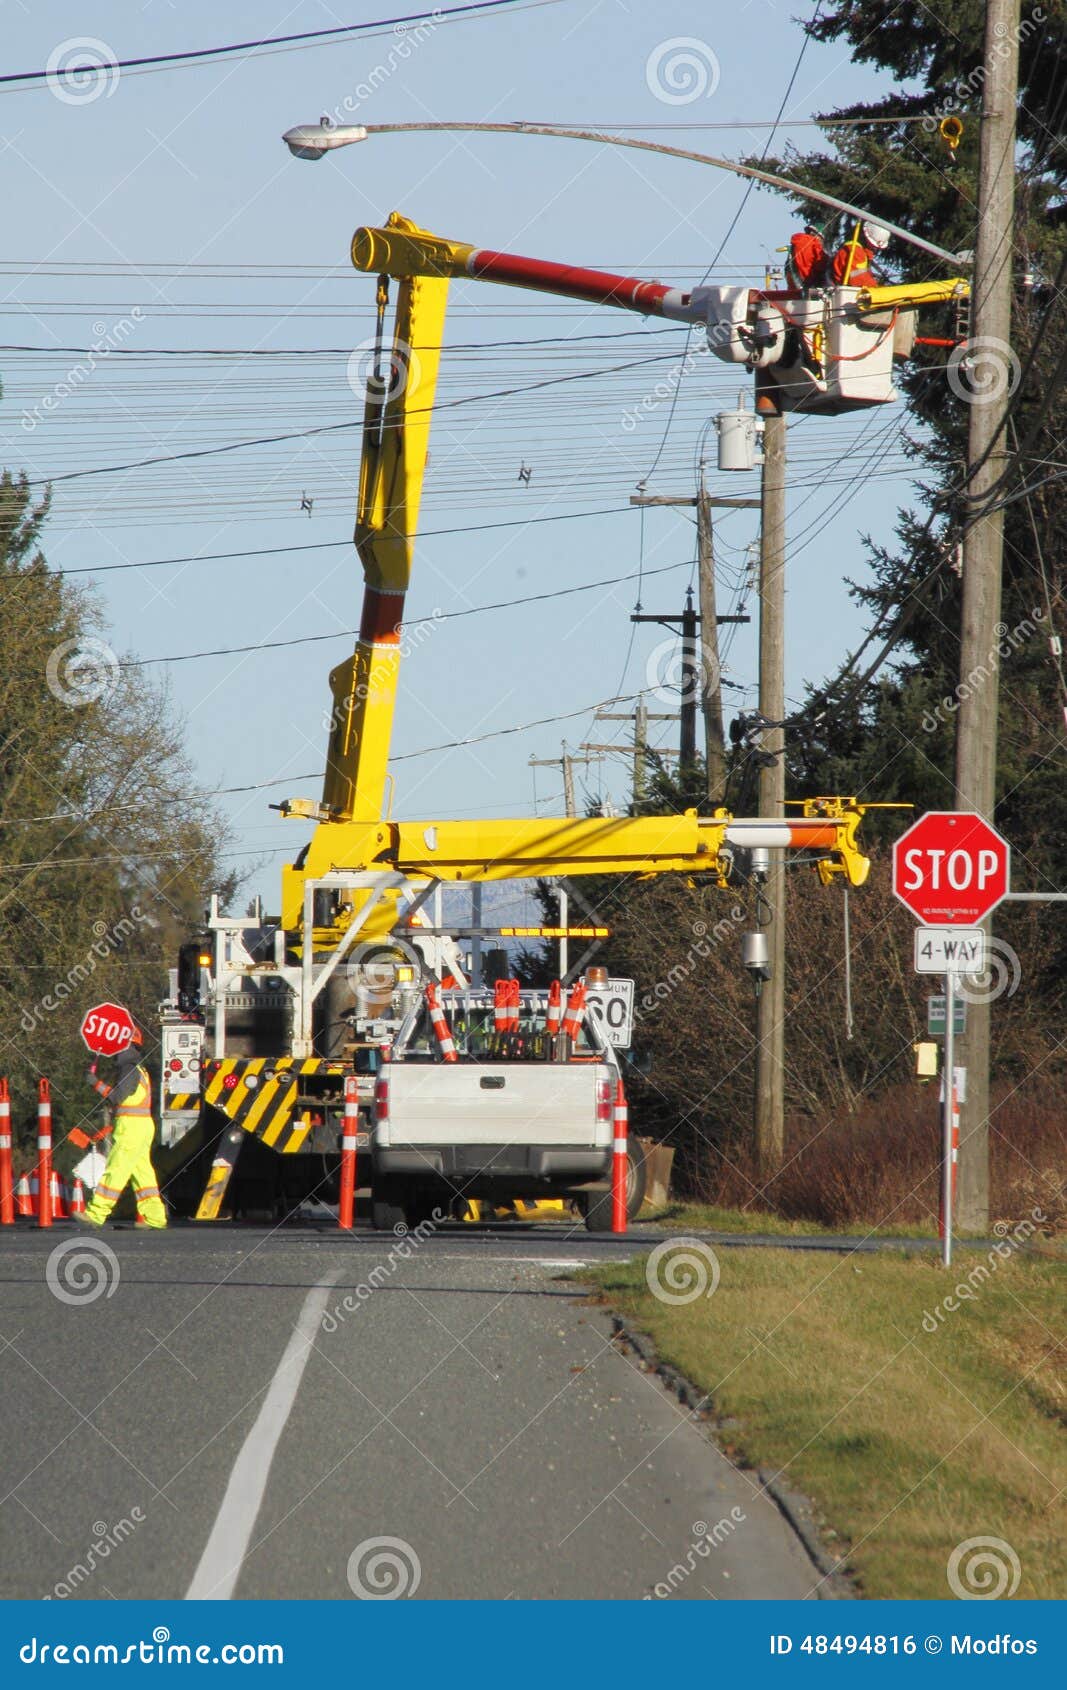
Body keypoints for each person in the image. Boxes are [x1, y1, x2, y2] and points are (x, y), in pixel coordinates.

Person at [77, 1027, 167, 1229]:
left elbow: (118, 1097)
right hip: (142, 1126)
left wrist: (95, 1082)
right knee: (143, 1174)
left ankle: (96, 1213)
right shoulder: (139, 1069)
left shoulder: (129, 1068)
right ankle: (156, 1218)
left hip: (131, 1127)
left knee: (116, 1169)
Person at [829, 220, 891, 288]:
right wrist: (876, 289)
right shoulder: (855, 251)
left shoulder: (860, 251)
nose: (875, 249)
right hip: (842, 291)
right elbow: (858, 278)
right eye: (873, 246)